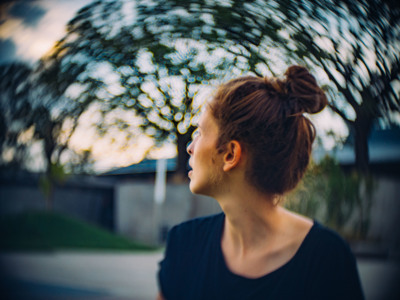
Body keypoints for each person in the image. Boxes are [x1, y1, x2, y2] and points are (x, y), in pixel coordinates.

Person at [157, 65, 364, 300]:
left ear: (230, 154)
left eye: (200, 132)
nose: (190, 147)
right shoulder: (184, 244)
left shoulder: (326, 259)